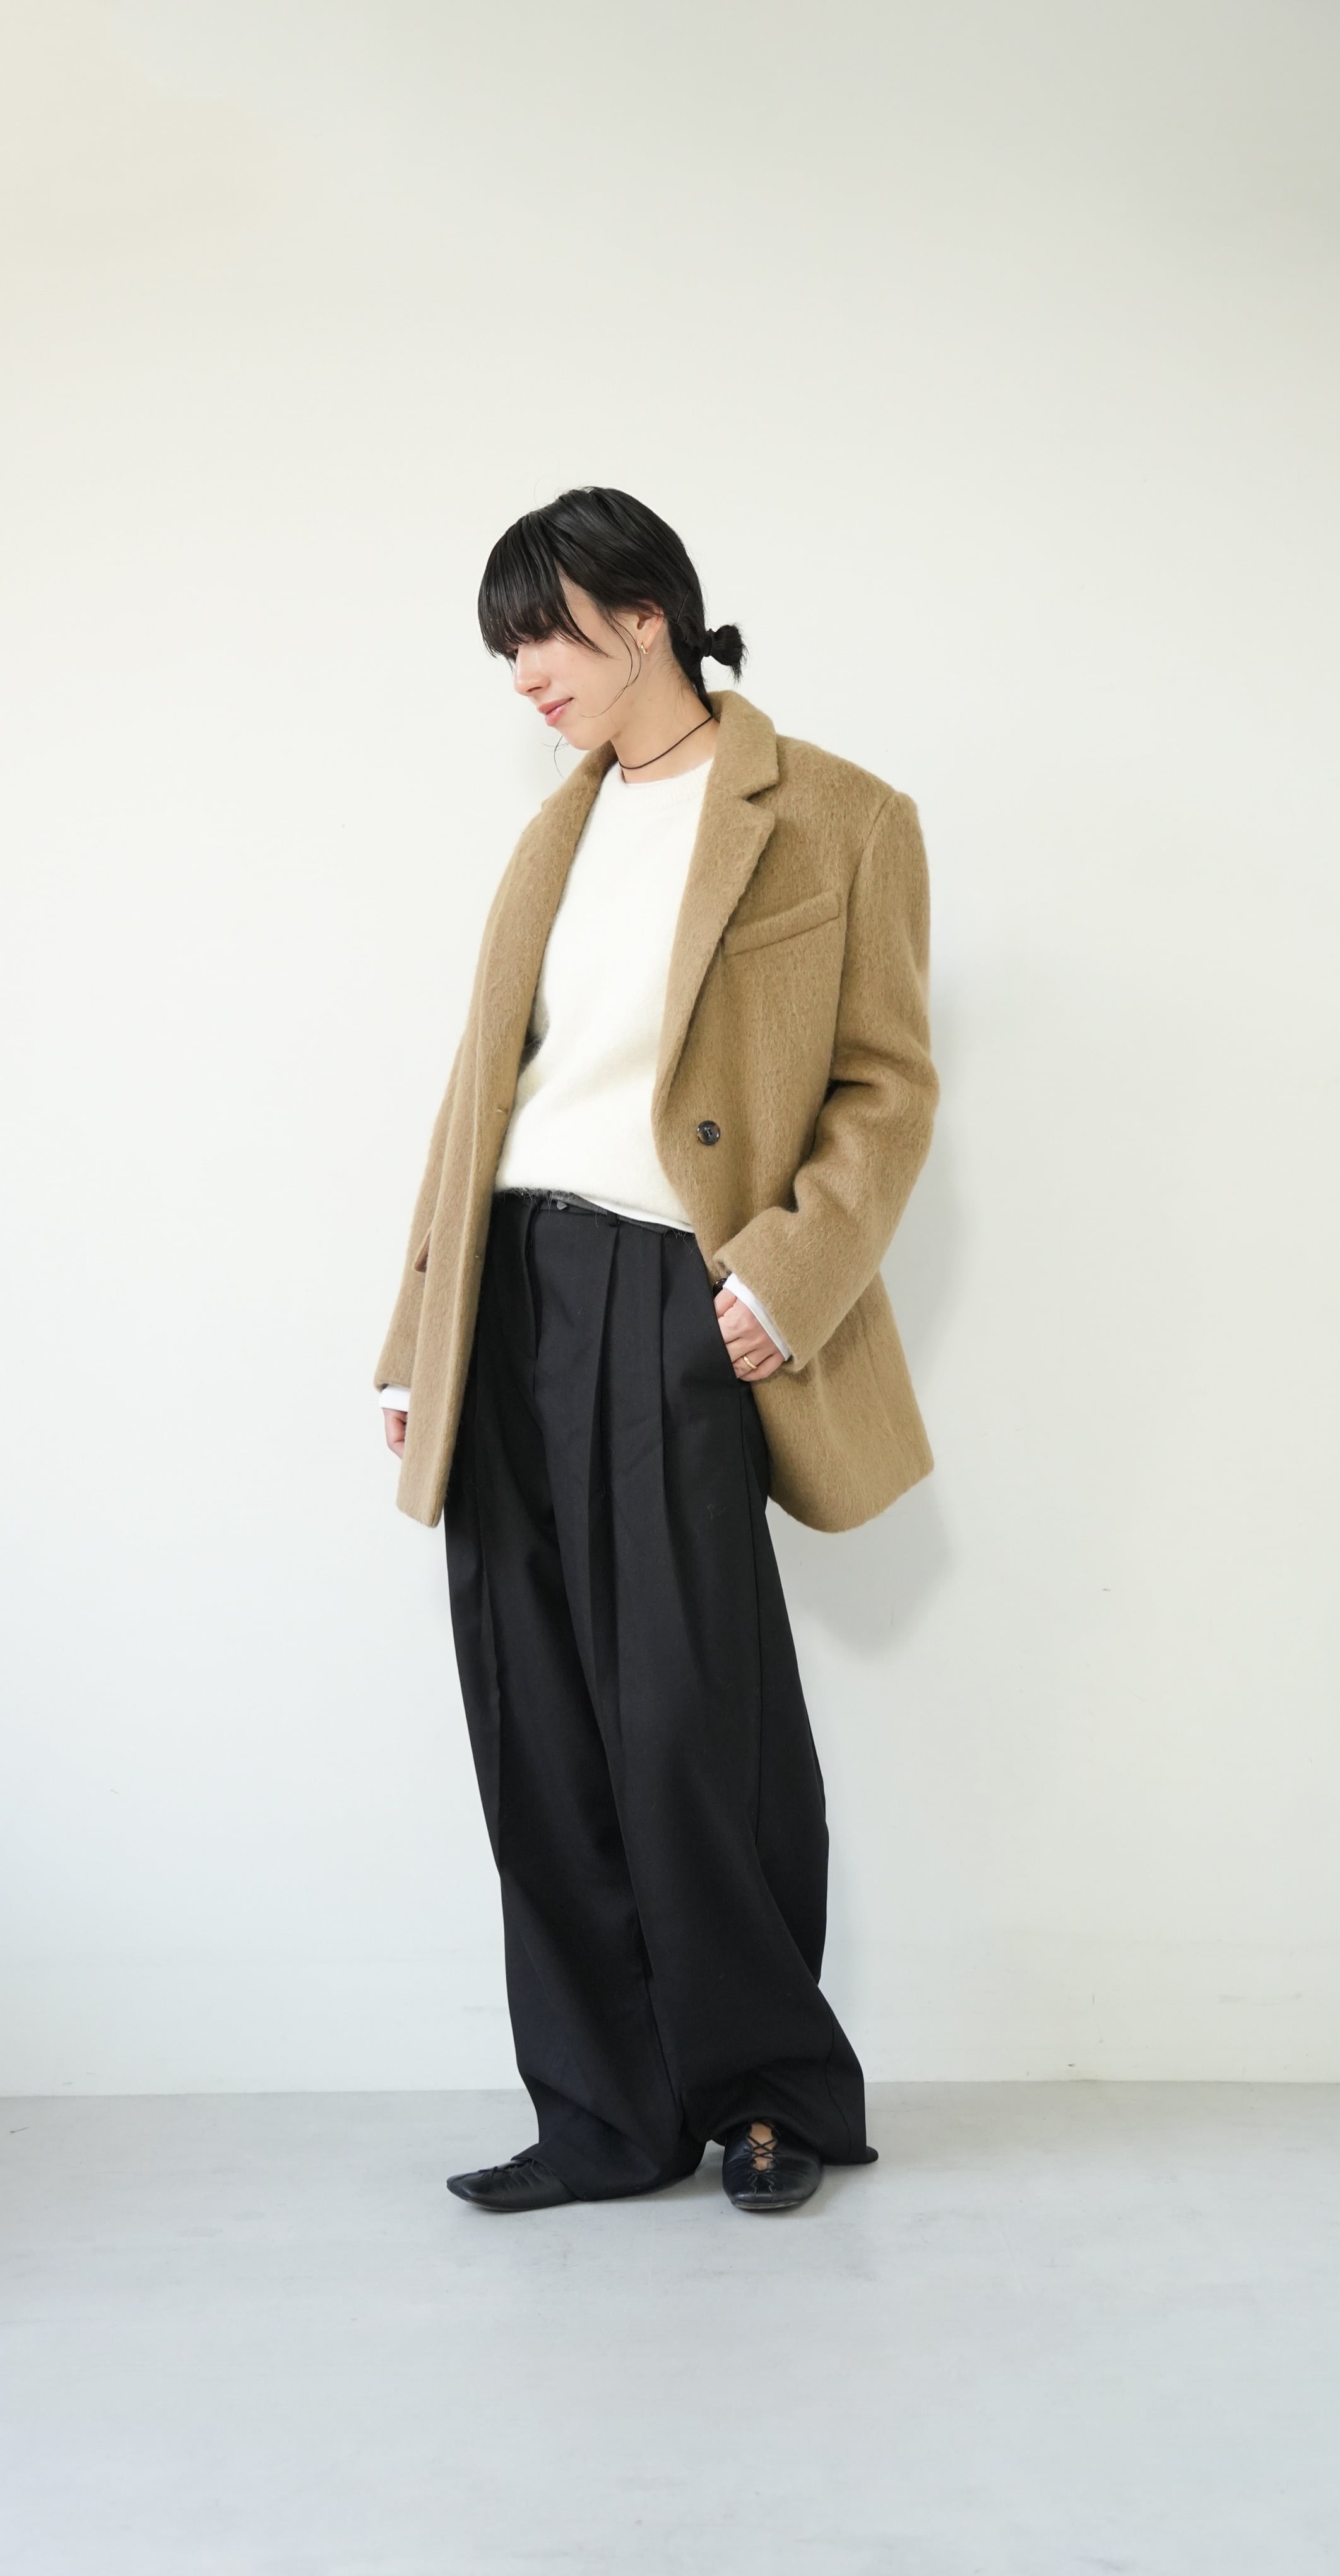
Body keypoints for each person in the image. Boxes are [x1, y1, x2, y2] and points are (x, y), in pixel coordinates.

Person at [374, 487, 937, 2215]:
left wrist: (784, 1275)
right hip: (510, 1286)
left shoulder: (835, 814)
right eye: (505, 650)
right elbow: (485, 1092)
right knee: (534, 1719)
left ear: (644, 615)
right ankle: (604, 2116)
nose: (523, 675)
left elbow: (886, 1084)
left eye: (540, 634)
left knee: (697, 1715)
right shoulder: (553, 834)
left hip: (676, 1295)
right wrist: (416, 1332)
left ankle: (770, 2094)